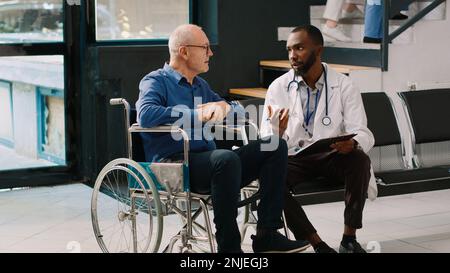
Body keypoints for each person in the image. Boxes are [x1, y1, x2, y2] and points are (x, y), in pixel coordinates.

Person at [136, 24, 310, 253]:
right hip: (177, 163)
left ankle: (267, 233)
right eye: (205, 47)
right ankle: (229, 248)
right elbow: (145, 114)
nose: (211, 53)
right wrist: (195, 115)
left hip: (213, 163)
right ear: (184, 51)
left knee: (274, 146)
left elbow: (236, 113)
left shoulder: (200, 85)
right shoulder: (155, 81)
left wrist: (223, 106)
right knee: (225, 158)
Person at [260, 25, 377, 253]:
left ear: (319, 50)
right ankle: (316, 242)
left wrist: (352, 143)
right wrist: (277, 131)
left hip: (332, 155)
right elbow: (266, 139)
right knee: (271, 177)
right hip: (295, 156)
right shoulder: (279, 87)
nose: (293, 56)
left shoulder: (344, 85)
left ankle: (349, 238)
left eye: (300, 48)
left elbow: (361, 129)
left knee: (360, 160)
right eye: (289, 50)